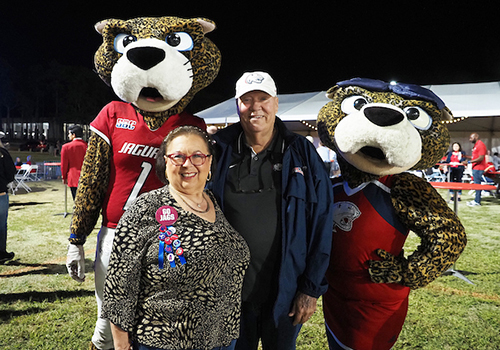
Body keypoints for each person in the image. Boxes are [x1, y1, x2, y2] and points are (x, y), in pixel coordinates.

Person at [209, 71, 333, 350]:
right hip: (228, 294)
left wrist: (310, 289)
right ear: (237, 104)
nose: (256, 107)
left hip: (286, 293)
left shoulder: (301, 152)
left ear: (276, 103)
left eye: (263, 99)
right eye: (247, 100)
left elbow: (322, 221)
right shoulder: (218, 149)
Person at [101, 126, 250, 350]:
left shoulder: (214, 202)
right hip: (165, 341)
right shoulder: (146, 208)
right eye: (178, 156)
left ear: (209, 163)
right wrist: (121, 344)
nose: (188, 164)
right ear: (166, 163)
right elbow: (119, 284)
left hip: (222, 338)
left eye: (197, 156)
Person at [0, 133, 17, 264]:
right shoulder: (3, 154)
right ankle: (1, 252)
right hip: (0, 193)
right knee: (1, 225)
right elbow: (11, 173)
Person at [60, 125, 88, 200]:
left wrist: (64, 177)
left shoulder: (66, 147)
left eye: (69, 134)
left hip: (73, 177)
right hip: (87, 177)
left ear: (73, 135)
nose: (68, 136)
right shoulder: (87, 146)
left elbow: (64, 164)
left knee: (76, 200)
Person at [467, 133, 488, 206]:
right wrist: (466, 157)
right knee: (476, 184)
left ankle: (477, 201)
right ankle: (476, 200)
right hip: (475, 167)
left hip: (478, 168)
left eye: (471, 138)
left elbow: (481, 158)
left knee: (477, 185)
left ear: (476, 137)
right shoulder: (476, 145)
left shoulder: (480, 145)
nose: (470, 139)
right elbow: (475, 156)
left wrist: (469, 162)